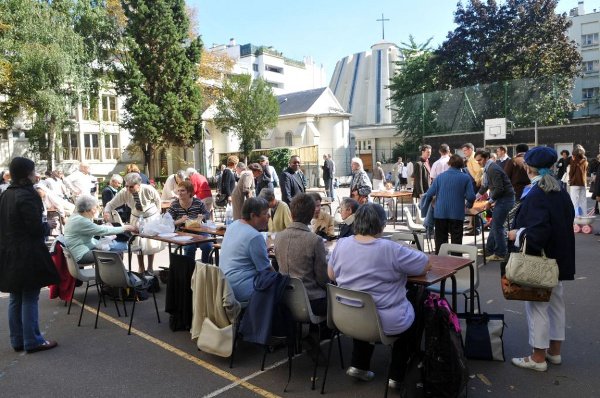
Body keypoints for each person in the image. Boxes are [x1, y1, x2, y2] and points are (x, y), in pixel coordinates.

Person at [328, 203, 431, 384]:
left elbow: (331, 275)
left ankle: (359, 364)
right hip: (384, 321)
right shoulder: (391, 249)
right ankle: (397, 374)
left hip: (346, 318)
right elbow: (424, 264)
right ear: (381, 225)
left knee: (362, 300)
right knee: (416, 305)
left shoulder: (341, 244)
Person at [507, 146, 575, 372]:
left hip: (539, 260)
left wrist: (517, 234)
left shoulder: (537, 193)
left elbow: (537, 232)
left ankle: (538, 357)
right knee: (556, 304)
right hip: (559, 258)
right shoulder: (560, 191)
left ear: (529, 168)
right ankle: (554, 352)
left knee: (537, 306)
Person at [0, 157, 60, 353]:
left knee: (16, 297)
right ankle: (33, 340)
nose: (37, 175)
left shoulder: (7, 194)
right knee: (29, 297)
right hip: (27, 253)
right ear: (27, 173)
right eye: (34, 171)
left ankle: (18, 340)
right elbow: (34, 228)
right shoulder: (27, 194)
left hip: (10, 251)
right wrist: (47, 225)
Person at [274, 193, 328, 315]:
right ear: (311, 215)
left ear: (291, 214)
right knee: (336, 300)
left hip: (285, 296)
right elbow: (322, 278)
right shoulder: (315, 240)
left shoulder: (279, 237)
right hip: (311, 299)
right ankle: (323, 333)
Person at [103, 173, 163, 274]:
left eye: (131, 187)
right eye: (126, 186)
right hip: (136, 218)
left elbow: (158, 201)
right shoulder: (124, 192)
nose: (128, 189)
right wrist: (107, 211)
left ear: (138, 185)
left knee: (150, 244)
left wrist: (157, 215)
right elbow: (110, 204)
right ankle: (141, 267)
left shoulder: (148, 189)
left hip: (150, 218)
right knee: (137, 243)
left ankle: (150, 267)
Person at [219, 197, 273, 302]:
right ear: (253, 216)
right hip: (241, 289)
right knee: (279, 286)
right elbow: (266, 271)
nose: (269, 216)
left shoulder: (233, 225)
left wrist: (261, 251)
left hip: (224, 285)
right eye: (265, 213)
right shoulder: (255, 236)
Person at [420, 155, 476, 254]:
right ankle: (456, 263)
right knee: (456, 241)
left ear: (449, 164)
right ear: (462, 165)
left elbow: (429, 194)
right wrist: (469, 205)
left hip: (440, 213)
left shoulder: (440, 177)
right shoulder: (465, 178)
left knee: (441, 241)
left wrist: (425, 209)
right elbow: (471, 196)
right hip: (457, 213)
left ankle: (442, 264)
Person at [64, 195, 136, 264]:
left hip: (76, 252)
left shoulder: (75, 217)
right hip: (81, 254)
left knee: (111, 248)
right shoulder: (81, 220)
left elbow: (96, 229)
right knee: (117, 254)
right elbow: (102, 231)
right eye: (95, 208)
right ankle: (111, 275)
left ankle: (108, 274)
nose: (96, 210)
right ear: (88, 209)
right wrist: (126, 228)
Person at [475, 149, 515, 262]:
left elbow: (499, 188)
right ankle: (490, 249)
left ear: (486, 157)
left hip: (505, 199)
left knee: (497, 226)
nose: (479, 162)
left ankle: (500, 253)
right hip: (503, 199)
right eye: (477, 161)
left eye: (480, 160)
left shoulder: (492, 168)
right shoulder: (489, 168)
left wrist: (490, 201)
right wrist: (475, 197)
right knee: (494, 224)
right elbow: (485, 186)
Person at [167, 181, 213, 263]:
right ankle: (190, 271)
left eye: (182, 191)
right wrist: (180, 221)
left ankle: (204, 268)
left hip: (198, 230)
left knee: (208, 245)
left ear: (189, 192)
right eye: (178, 191)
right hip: (182, 232)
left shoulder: (198, 203)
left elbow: (207, 214)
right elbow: (167, 222)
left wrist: (203, 217)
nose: (180, 193)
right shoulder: (174, 205)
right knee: (189, 247)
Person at [568, 145, 588, 215]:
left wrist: (570, 179)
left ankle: (576, 218)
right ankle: (584, 217)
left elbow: (571, 172)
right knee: (583, 201)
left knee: (574, 201)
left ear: (574, 154)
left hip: (575, 183)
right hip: (583, 183)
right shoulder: (585, 161)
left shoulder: (574, 161)